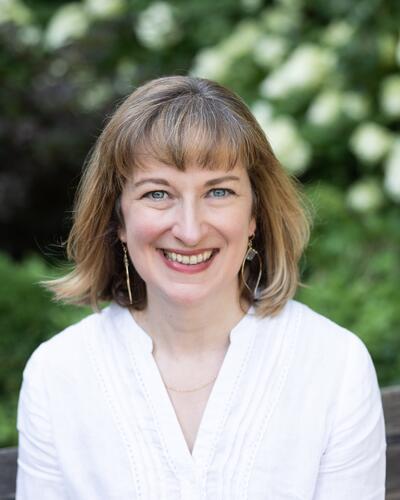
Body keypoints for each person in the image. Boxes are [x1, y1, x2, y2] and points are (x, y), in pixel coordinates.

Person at [16, 76, 386, 499]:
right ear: (118, 219)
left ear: (254, 216)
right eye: (158, 194)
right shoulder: (57, 375)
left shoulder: (334, 367)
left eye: (219, 191)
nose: (189, 230)